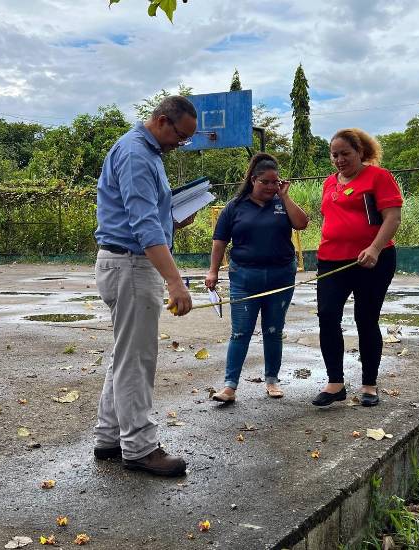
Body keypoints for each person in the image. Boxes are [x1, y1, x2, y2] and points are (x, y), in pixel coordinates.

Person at [92, 95, 198, 477]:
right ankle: (139, 447)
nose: (180, 144)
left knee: (126, 355)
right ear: (161, 120)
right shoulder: (138, 154)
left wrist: (175, 222)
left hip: (125, 261)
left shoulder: (146, 151)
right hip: (131, 264)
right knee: (137, 360)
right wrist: (175, 282)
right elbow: (142, 224)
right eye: (180, 136)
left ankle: (109, 437)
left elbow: (147, 214)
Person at [205, 153, 309, 403]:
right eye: (266, 182)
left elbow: (302, 223)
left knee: (273, 330)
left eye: (276, 182)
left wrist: (284, 197)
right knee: (240, 332)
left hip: (281, 276)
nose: (272, 187)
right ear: (253, 180)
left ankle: (272, 380)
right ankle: (230, 387)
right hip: (244, 277)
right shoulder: (234, 206)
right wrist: (213, 271)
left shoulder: (281, 202)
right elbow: (220, 241)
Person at [312, 128, 403, 408]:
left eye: (345, 154)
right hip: (331, 260)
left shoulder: (379, 177)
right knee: (327, 316)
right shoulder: (329, 183)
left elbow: (393, 217)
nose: (339, 160)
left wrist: (374, 248)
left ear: (360, 152)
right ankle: (335, 383)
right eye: (334, 155)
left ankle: (369, 384)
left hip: (372, 260)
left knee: (365, 319)